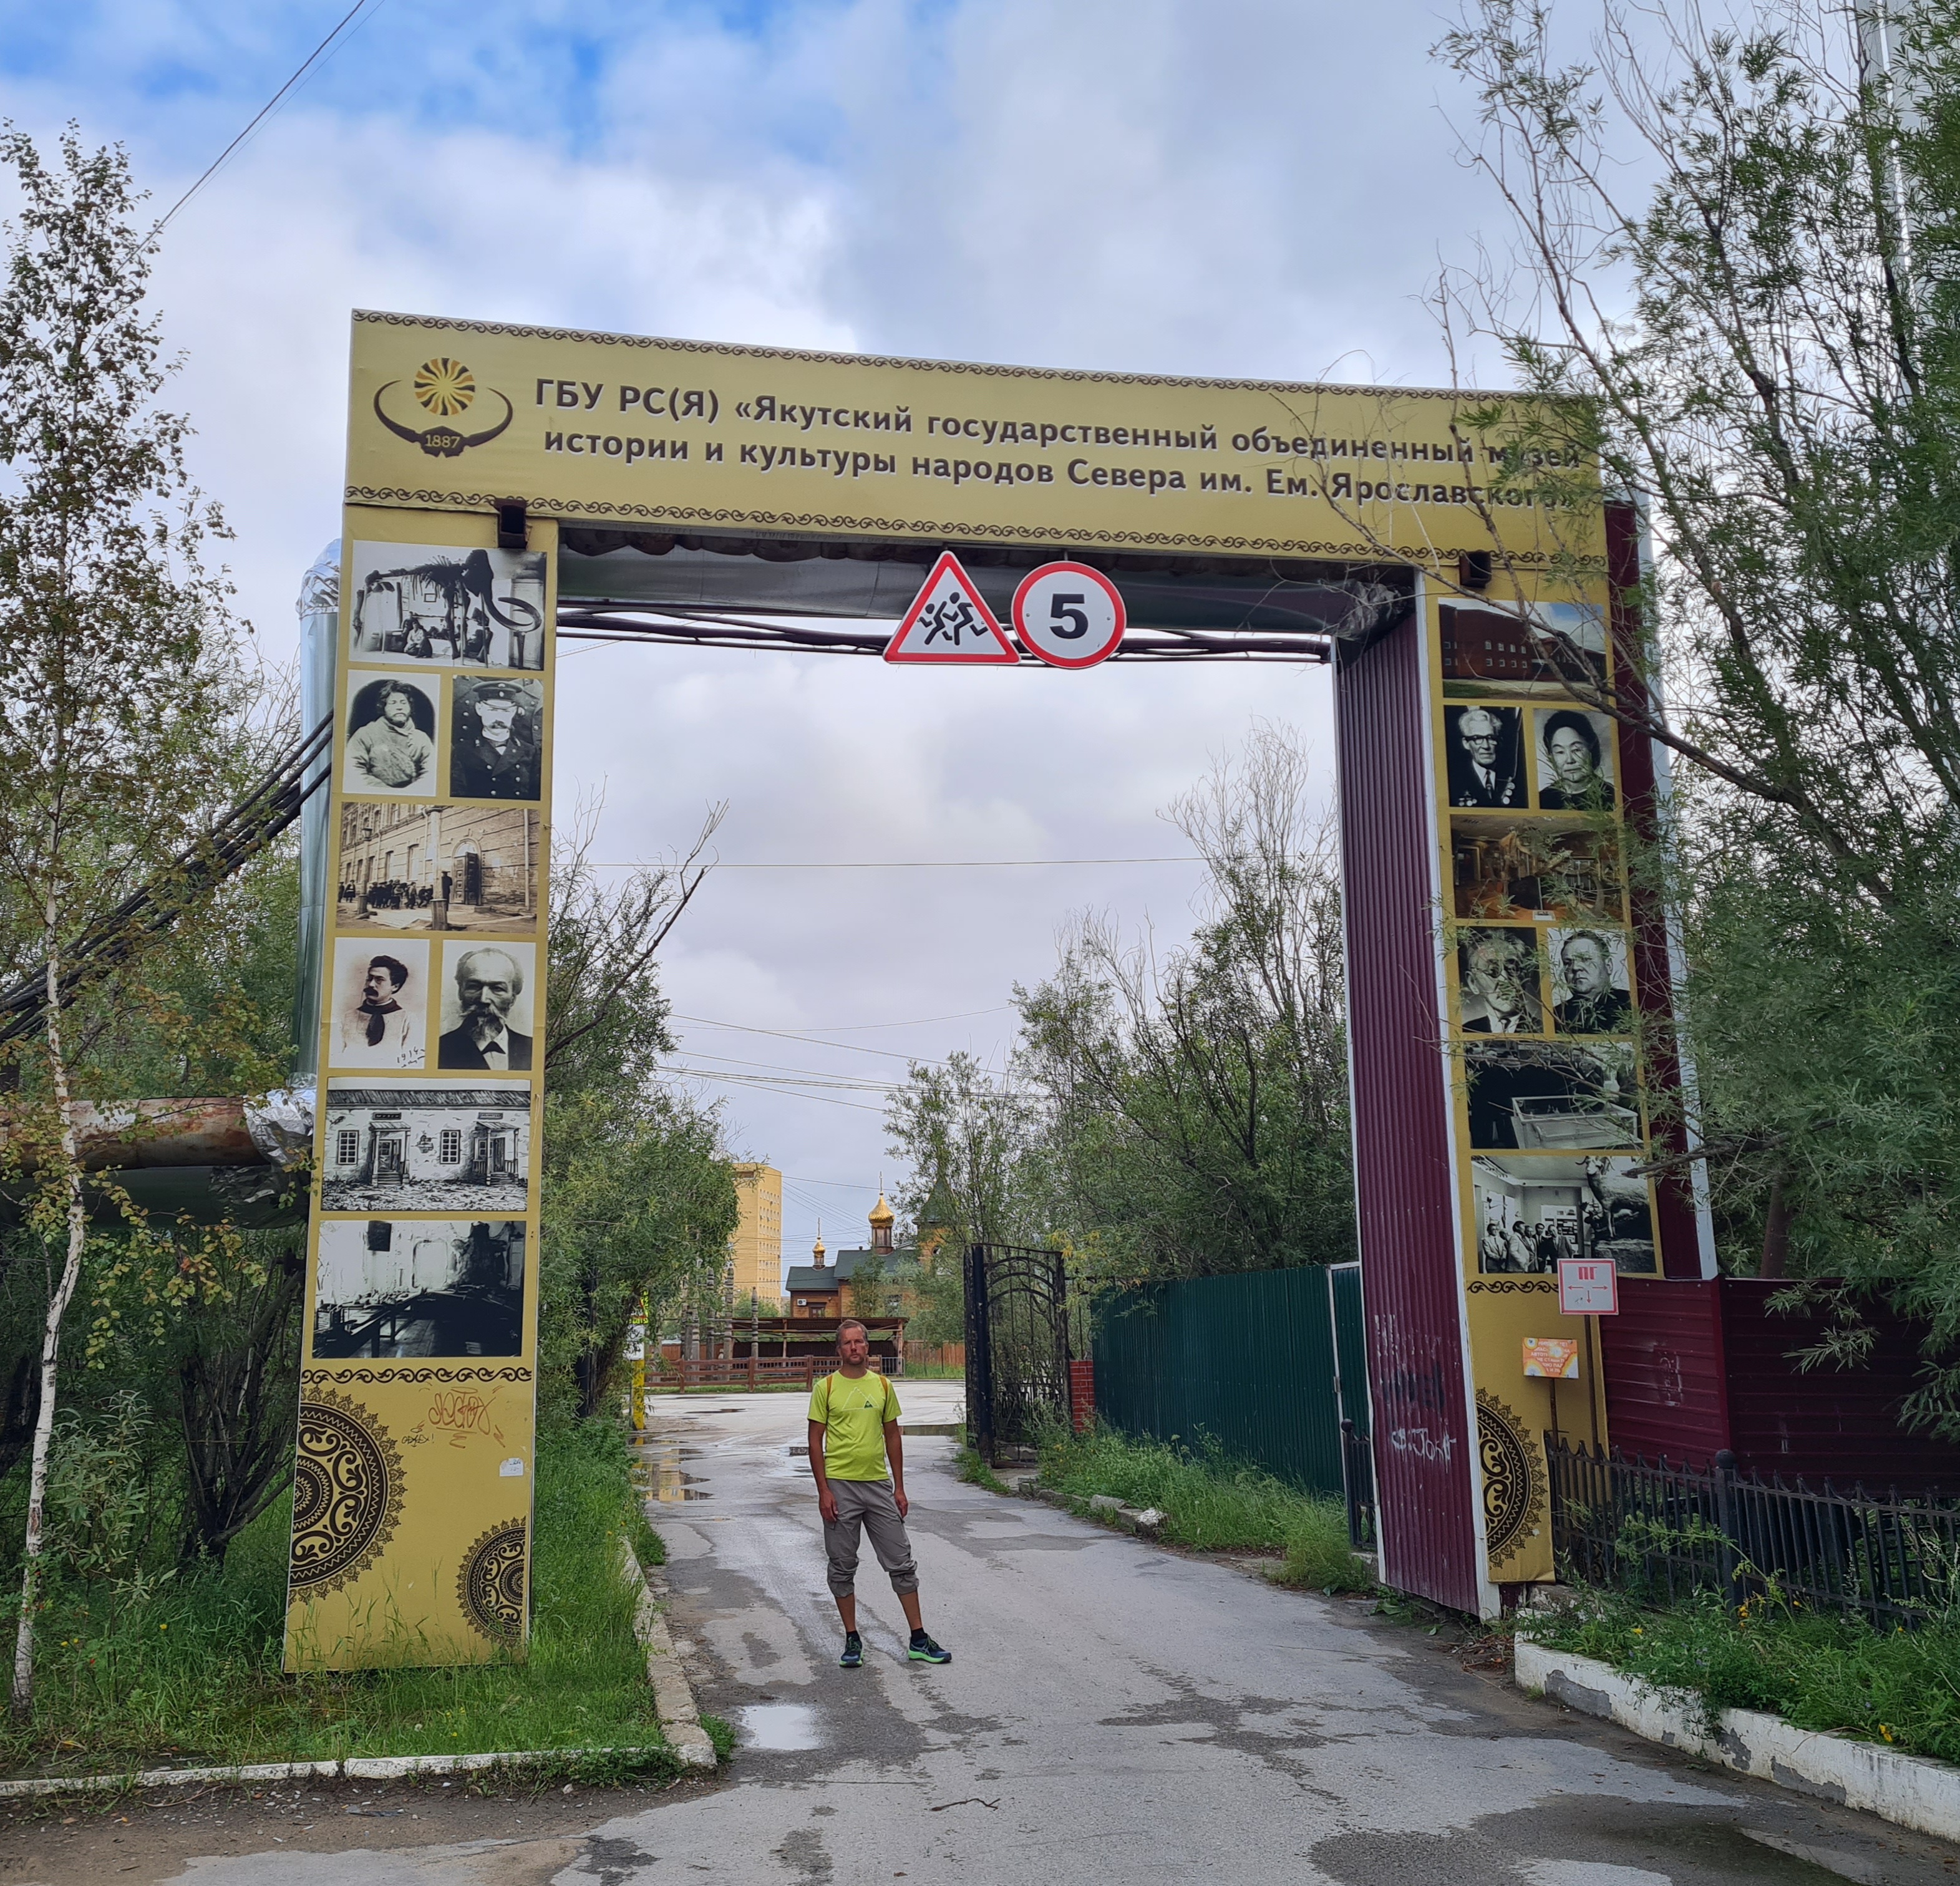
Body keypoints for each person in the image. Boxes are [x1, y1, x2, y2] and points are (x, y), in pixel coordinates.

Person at [807, 1319, 950, 1668]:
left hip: (878, 1486)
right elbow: (814, 1441)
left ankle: (919, 1639)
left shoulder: (884, 1386)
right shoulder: (826, 1388)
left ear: (867, 1347)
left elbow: (893, 1436)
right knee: (842, 1566)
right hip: (840, 1487)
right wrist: (824, 1491)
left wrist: (899, 1487)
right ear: (839, 1349)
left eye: (859, 1342)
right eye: (847, 1343)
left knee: (901, 1562)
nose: (854, 1348)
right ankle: (852, 1639)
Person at [437, 946, 533, 1069]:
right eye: (474, 987)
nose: (484, 999)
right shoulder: (439, 1049)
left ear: (512, 999)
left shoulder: (531, 1049)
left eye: (497, 989)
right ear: (460, 992)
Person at [451, 683, 540, 801]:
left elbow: (536, 795)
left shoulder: (530, 752)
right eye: (492, 710)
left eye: (506, 711)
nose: (499, 718)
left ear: (514, 712)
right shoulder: (462, 751)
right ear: (479, 709)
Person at [347, 680, 435, 793]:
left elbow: (431, 772)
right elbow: (354, 770)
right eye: (393, 703)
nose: (399, 707)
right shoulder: (366, 734)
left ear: (410, 707)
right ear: (383, 707)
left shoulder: (421, 738)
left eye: (403, 703)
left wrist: (411, 791)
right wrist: (387, 792)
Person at [336, 954, 420, 1066]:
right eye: (370, 978)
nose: (371, 984)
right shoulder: (347, 1018)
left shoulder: (408, 1020)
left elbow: (411, 1063)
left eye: (379, 980)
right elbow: (335, 1058)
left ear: (395, 986)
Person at [1459, 931, 1543, 1033]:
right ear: (1473, 983)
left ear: (1525, 977)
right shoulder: (1467, 1031)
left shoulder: (1542, 1030)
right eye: (1493, 970)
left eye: (1512, 969)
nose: (1505, 979)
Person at [1555, 930, 1634, 1033]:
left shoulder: (1631, 1003)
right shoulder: (1556, 1015)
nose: (1575, 967)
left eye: (1585, 959)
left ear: (1609, 966)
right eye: (1568, 963)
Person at [1537, 710, 1616, 810]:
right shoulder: (1542, 800)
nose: (1570, 760)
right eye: (1560, 752)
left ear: (1591, 749)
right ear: (1551, 756)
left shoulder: (1613, 797)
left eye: (1576, 750)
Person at [1447, 706, 1524, 808]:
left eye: (1491, 738)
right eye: (1477, 738)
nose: (1486, 746)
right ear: (1466, 743)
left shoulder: (1511, 778)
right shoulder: (1454, 782)